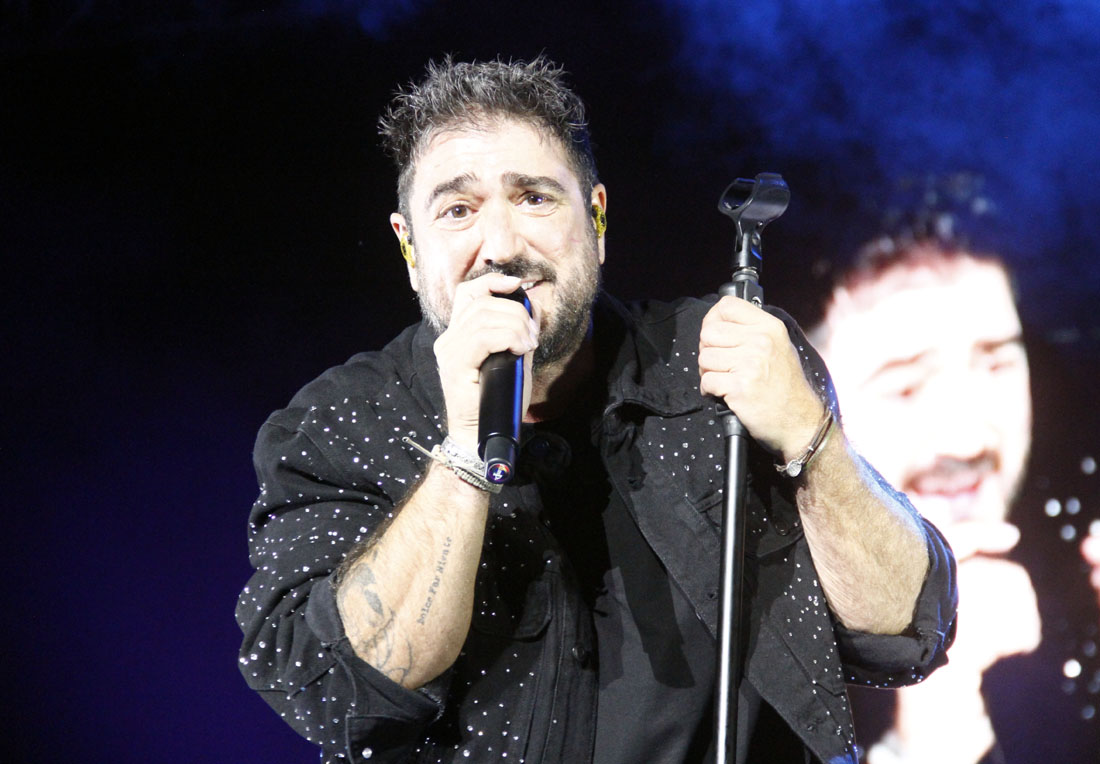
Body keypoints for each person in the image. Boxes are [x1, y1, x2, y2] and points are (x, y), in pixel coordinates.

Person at [236, 56, 956, 764]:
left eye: (535, 198)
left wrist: (814, 440)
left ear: (598, 218)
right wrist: (463, 450)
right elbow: (334, 692)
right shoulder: (342, 423)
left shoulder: (721, 360)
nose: (502, 247)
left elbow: (905, 631)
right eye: (458, 210)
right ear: (409, 247)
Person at [804, 198, 1098, 762]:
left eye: (995, 365)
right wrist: (931, 741)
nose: (968, 441)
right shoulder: (738, 617)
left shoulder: (1073, 567)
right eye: (905, 386)